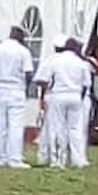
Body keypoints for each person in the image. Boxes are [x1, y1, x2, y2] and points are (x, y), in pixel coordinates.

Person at [0, 25, 34, 168]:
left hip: (1, 89)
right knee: (15, 125)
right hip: (17, 89)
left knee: (1, 125)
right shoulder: (23, 51)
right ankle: (14, 158)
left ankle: (1, 157)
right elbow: (28, 73)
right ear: (20, 35)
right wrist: (26, 89)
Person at [43, 37, 91, 168]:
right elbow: (86, 84)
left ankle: (58, 160)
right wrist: (80, 97)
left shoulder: (56, 60)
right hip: (75, 96)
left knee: (58, 128)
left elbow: (47, 80)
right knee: (75, 129)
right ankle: (78, 159)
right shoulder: (81, 62)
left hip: (58, 95)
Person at [32, 36, 65, 166]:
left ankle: (44, 156)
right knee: (55, 128)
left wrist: (42, 96)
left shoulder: (49, 61)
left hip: (51, 96)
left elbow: (40, 80)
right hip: (58, 96)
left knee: (47, 128)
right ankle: (55, 158)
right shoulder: (70, 61)